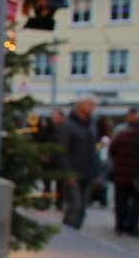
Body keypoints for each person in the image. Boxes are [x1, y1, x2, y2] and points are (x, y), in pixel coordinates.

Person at [56, 96, 99, 229]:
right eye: (89, 104)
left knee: (82, 209)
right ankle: (68, 234)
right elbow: (61, 151)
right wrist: (68, 173)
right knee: (74, 206)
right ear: (80, 105)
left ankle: (75, 233)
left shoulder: (91, 126)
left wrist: (96, 171)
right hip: (73, 173)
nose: (92, 107)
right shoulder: (68, 125)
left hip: (87, 173)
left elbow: (94, 150)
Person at [109, 111, 139, 236]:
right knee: (135, 202)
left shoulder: (122, 134)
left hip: (121, 173)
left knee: (121, 200)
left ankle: (119, 225)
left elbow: (112, 150)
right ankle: (132, 226)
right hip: (136, 175)